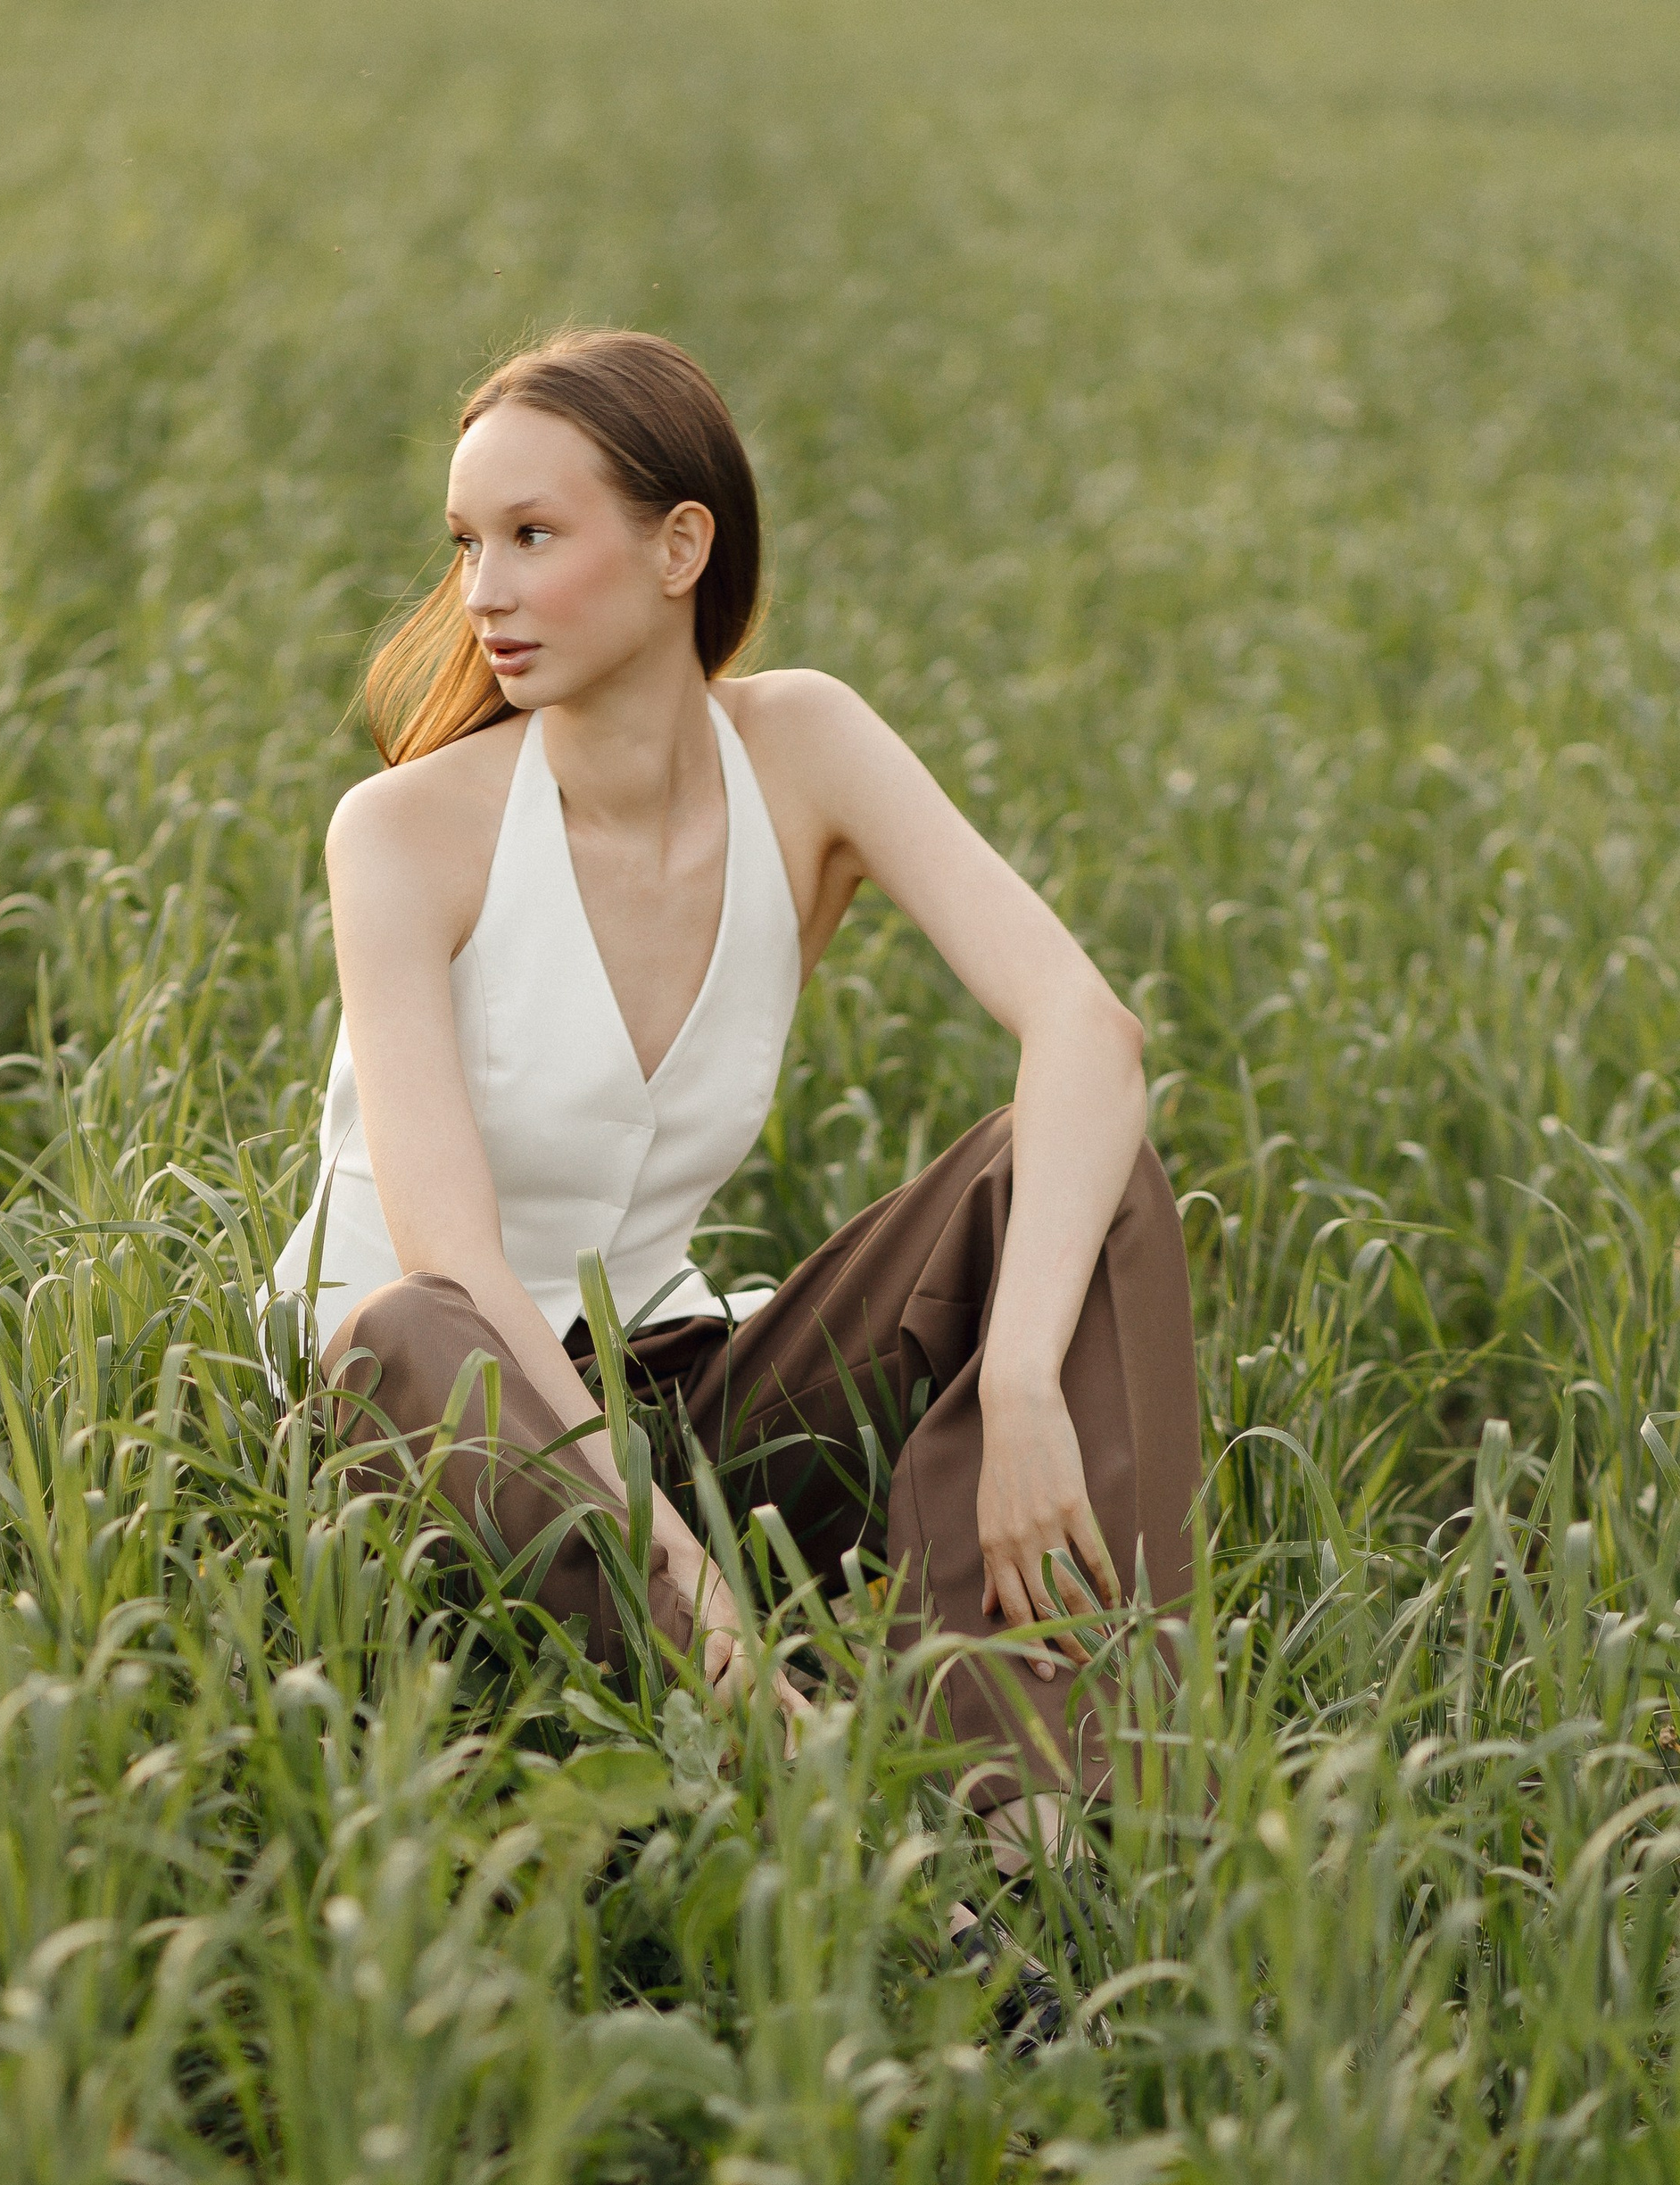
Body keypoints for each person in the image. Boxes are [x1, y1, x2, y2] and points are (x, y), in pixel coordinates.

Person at [270, 328, 1200, 1914]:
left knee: (1083, 1174)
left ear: (678, 546)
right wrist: (690, 1581)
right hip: (424, 1407)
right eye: (466, 543)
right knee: (415, 1321)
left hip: (663, 1389)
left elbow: (1087, 1034)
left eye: (533, 536)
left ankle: (1003, 1809)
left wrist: (1026, 1376)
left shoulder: (806, 748)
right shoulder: (406, 834)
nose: (480, 590)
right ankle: (812, 1811)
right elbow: (454, 1260)